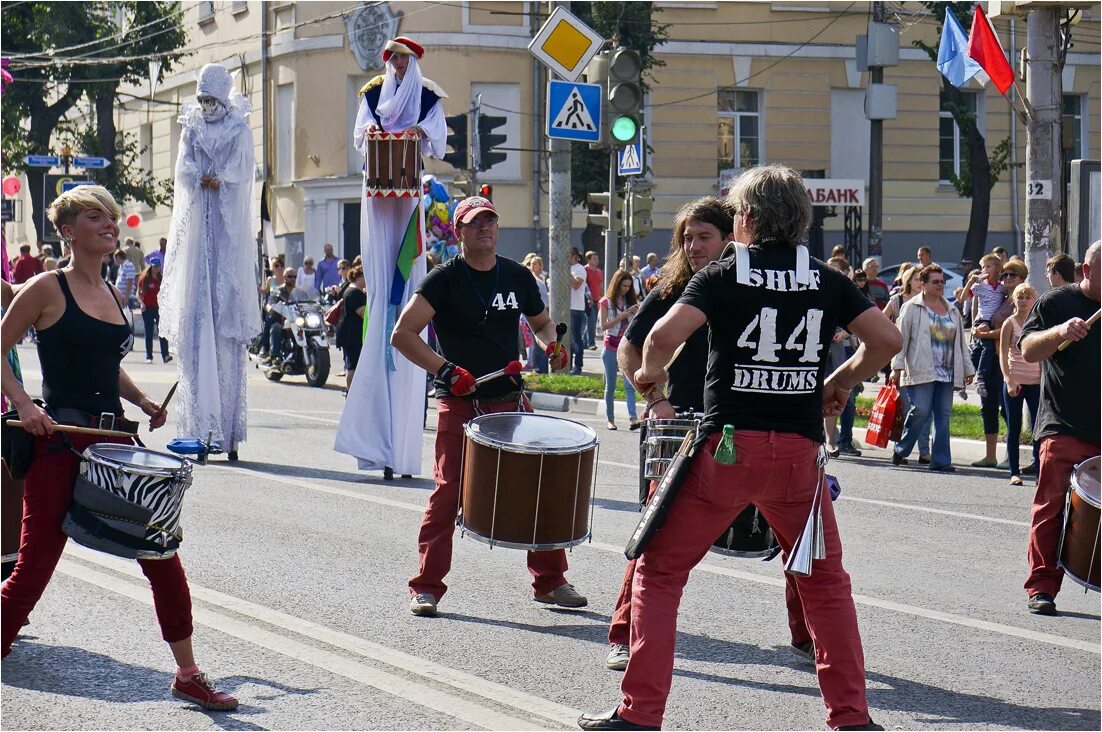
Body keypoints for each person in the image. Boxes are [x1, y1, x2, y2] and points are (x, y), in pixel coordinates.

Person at [580, 165, 899, 732]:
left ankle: (640, 713)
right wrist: (842, 382)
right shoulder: (825, 278)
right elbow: (887, 340)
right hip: (798, 453)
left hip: (726, 447)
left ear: (745, 219)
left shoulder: (727, 272)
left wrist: (650, 379)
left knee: (658, 571)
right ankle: (851, 717)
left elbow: (658, 339)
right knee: (826, 587)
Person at [0, 185, 237, 710]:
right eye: (93, 217)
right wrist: (25, 406)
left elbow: (107, 365)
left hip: (113, 443)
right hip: (60, 442)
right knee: (36, 563)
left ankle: (187, 672)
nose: (109, 224)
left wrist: (146, 400)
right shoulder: (45, 287)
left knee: (161, 550)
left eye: (110, 217)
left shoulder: (111, 291)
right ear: (67, 230)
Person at [607, 196, 818, 674]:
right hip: (682, 426)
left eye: (704, 236)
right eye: (687, 237)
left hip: (755, 428)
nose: (693, 245)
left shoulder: (762, 285)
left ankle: (808, 636)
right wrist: (653, 398)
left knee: (799, 538)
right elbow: (632, 347)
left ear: (732, 237)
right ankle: (624, 632)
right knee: (653, 535)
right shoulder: (673, 289)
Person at [390, 195, 583, 618]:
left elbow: (542, 322)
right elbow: (402, 334)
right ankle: (426, 586)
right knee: (447, 493)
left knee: (542, 483)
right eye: (475, 223)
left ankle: (550, 581)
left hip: (510, 401)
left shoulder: (516, 276)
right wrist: (446, 370)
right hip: (460, 402)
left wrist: (552, 343)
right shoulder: (442, 281)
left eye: (491, 221)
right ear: (459, 232)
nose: (485, 229)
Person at [335, 35, 447, 481]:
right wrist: (374, 133)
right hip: (378, 192)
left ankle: (400, 445)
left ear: (414, 60)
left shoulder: (428, 96)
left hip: (409, 194)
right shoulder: (372, 92)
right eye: (392, 58)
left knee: (407, 278)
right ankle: (376, 437)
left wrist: (417, 133)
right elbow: (362, 134)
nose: (396, 65)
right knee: (381, 289)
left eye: (402, 58)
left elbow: (436, 140)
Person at [160, 62, 260, 463]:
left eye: (211, 99)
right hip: (200, 225)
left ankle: (227, 430)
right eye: (202, 99)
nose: (206, 106)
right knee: (198, 321)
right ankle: (197, 428)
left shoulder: (239, 126)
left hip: (225, 228)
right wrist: (197, 175)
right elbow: (182, 167)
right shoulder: (191, 126)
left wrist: (223, 179)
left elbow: (243, 170)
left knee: (226, 327)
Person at [1018, 241, 1100, 616]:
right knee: (1050, 507)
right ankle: (1042, 586)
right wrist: (1060, 331)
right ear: (1086, 270)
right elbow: (1029, 349)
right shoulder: (1055, 303)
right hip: (1062, 424)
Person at [890, 265, 975, 471]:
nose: (940, 285)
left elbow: (960, 343)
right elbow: (900, 340)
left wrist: (967, 368)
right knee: (920, 410)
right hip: (921, 369)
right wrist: (897, 367)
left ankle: (941, 460)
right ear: (923, 284)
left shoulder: (952, 309)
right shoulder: (911, 308)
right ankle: (902, 448)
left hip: (947, 371)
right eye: (935, 282)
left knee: (943, 415)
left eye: (942, 281)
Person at [963, 255, 1013, 467]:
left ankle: (1012, 455)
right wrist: (976, 331)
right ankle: (990, 455)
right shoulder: (984, 289)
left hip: (1007, 361)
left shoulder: (1017, 298)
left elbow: (1011, 331)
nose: (1008, 278)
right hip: (989, 352)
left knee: (1008, 408)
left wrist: (986, 334)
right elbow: (972, 311)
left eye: (1013, 274)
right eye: (1007, 274)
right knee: (988, 406)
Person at [998, 282, 1040, 486]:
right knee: (1014, 427)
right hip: (1016, 381)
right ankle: (1014, 471)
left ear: (1034, 299)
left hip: (1036, 381)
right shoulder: (1010, 323)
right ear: (1014, 300)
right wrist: (1008, 378)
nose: (1023, 300)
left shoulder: (1039, 322)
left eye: (1027, 297)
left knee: (1038, 428)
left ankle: (1040, 470)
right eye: (1020, 297)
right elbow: (1003, 353)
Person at [598, 269, 640, 431]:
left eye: (629, 287)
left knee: (630, 384)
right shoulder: (606, 302)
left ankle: (633, 418)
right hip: (610, 347)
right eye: (623, 286)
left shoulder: (629, 302)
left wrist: (636, 314)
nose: (626, 289)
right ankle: (610, 419)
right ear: (617, 284)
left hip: (625, 347)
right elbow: (604, 326)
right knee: (611, 385)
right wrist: (622, 316)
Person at [265, 268, 310, 364]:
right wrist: (272, 307)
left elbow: (308, 303)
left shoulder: (300, 292)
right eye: (290, 276)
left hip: (298, 322)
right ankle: (275, 356)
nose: (292, 279)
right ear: (284, 277)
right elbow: (270, 303)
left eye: (294, 277)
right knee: (276, 328)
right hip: (283, 321)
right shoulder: (278, 290)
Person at [335, 265, 367, 391]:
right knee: (352, 364)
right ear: (358, 277)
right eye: (364, 276)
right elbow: (363, 312)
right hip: (351, 334)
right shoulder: (354, 293)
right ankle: (351, 391)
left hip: (351, 333)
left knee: (353, 363)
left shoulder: (353, 291)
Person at [138, 259, 172, 364]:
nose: (156, 269)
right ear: (151, 267)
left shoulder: (162, 279)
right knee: (149, 332)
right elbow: (138, 293)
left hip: (159, 308)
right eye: (154, 266)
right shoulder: (144, 279)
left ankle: (165, 355)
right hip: (147, 308)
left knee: (162, 331)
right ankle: (149, 356)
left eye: (158, 266)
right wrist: (142, 303)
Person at [524, 254, 550, 373]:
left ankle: (543, 367)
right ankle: (539, 368)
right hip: (536, 311)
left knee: (545, 340)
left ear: (540, 266)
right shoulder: (531, 278)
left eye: (536, 264)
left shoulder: (544, 278)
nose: (533, 266)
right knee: (537, 340)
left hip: (546, 310)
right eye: (532, 264)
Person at [568, 247, 587, 375]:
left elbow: (576, 285)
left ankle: (578, 366)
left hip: (576, 308)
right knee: (566, 338)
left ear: (575, 256)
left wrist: (565, 272)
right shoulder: (570, 269)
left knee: (576, 338)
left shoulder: (580, 269)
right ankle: (567, 364)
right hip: (567, 307)